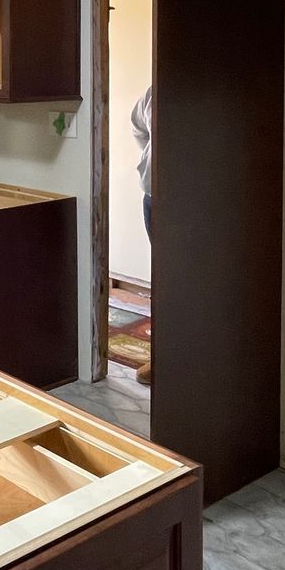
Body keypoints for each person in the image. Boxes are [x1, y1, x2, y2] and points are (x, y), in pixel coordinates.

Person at [129, 86, 153, 386]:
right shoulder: (154, 91)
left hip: (198, 201)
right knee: (165, 278)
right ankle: (163, 355)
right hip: (155, 195)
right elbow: (138, 127)